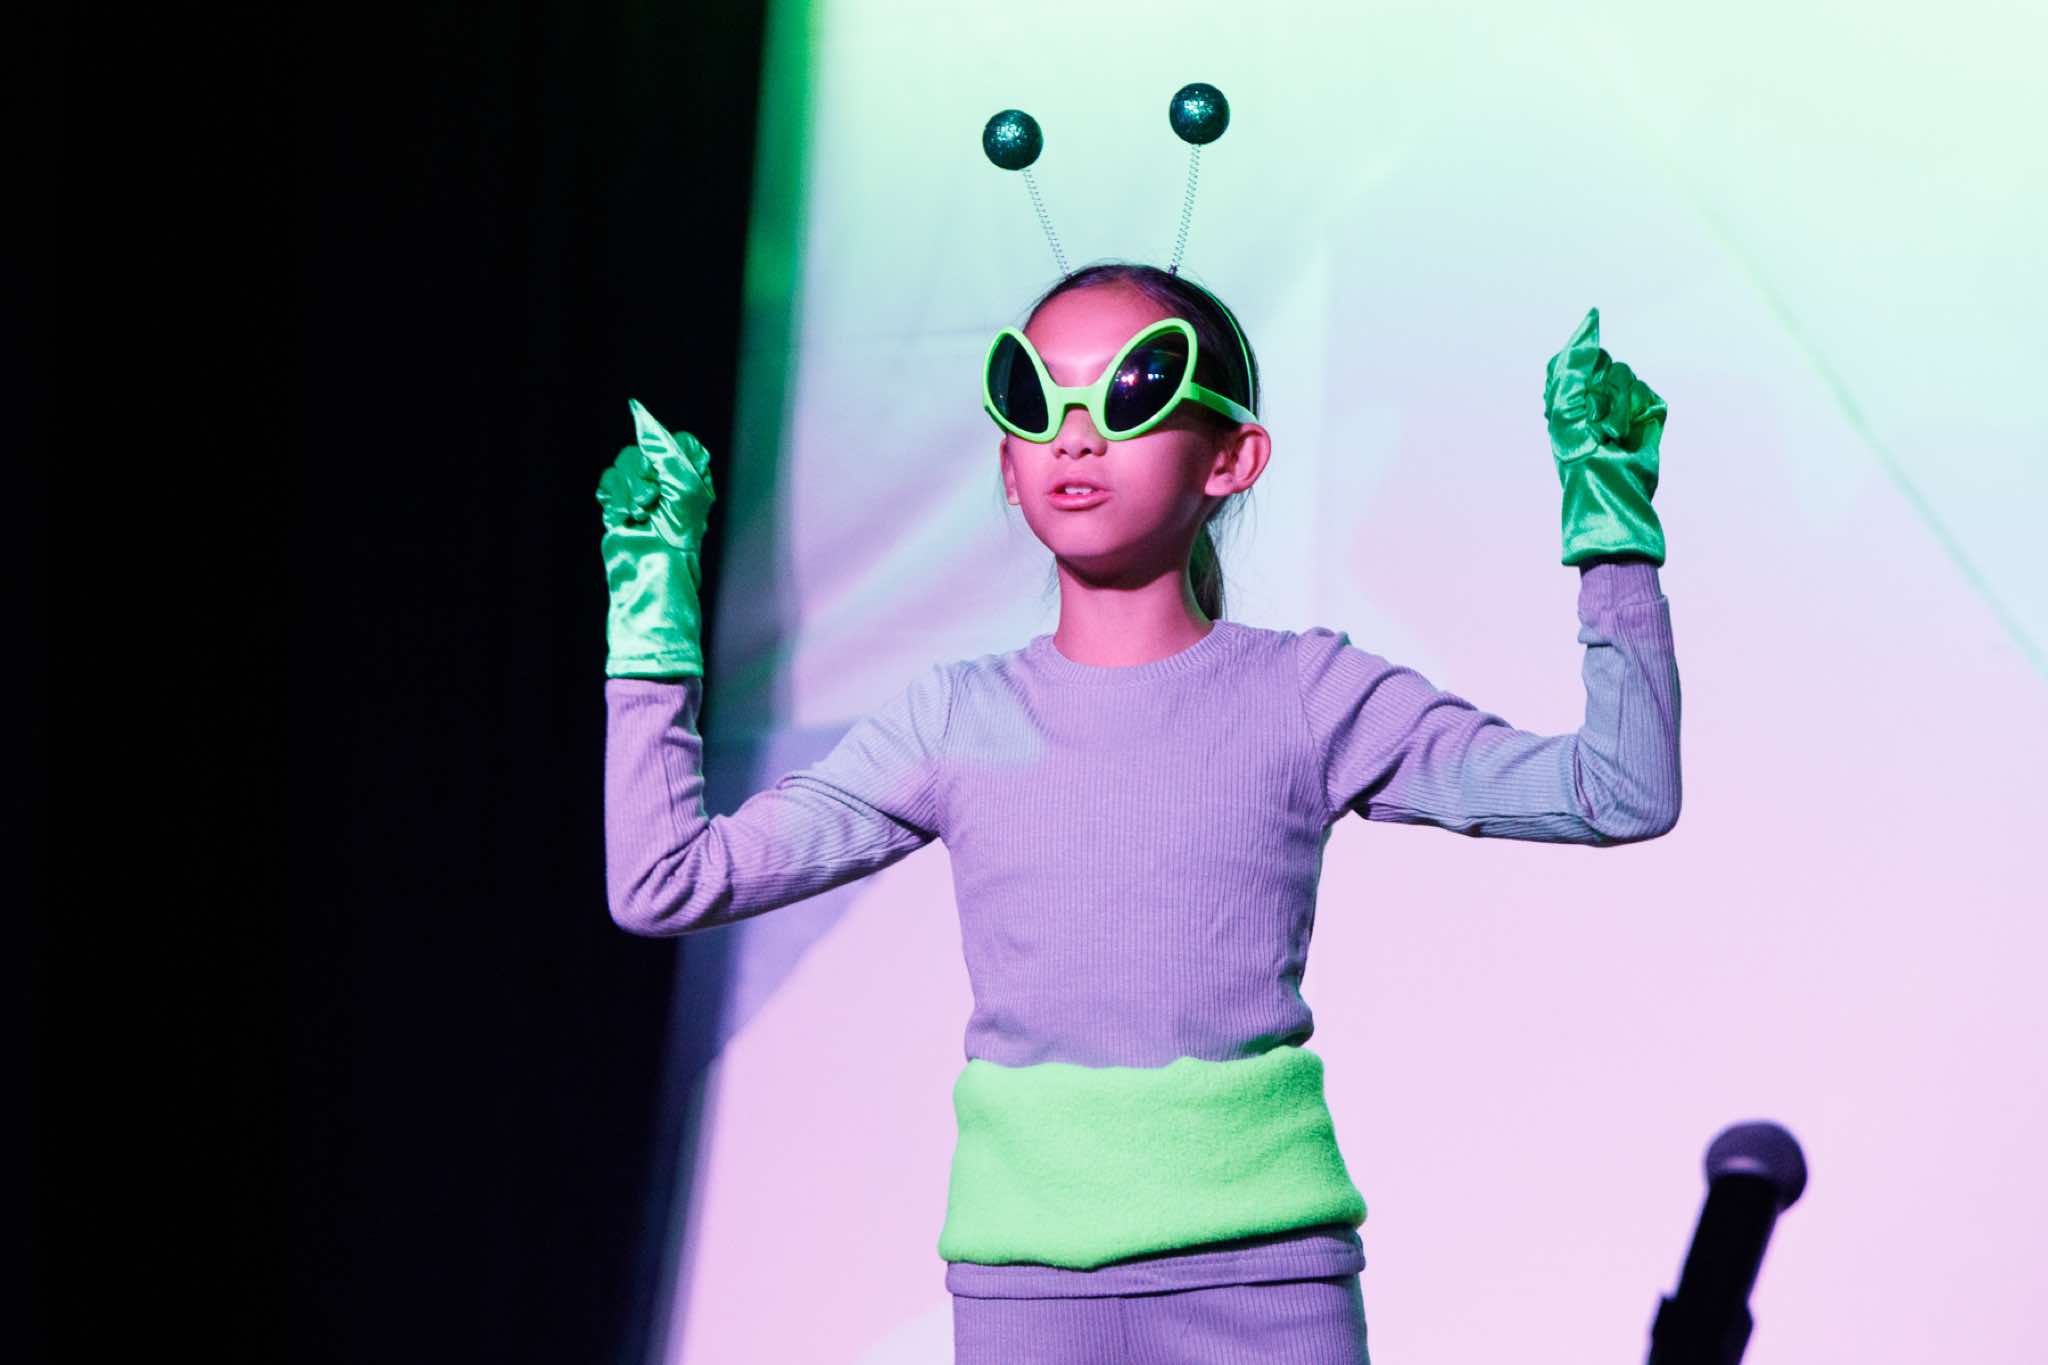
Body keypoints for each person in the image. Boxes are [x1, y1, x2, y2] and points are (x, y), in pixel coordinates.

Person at [595, 261, 1681, 1365]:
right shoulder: (953, 718)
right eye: (1034, 398)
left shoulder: (1306, 695)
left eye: (1134, 390)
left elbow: (1617, 792)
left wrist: (1611, 525)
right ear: (1008, 467)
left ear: (1233, 457)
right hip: (1025, 1295)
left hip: (1266, 1285)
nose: (1074, 437)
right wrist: (649, 613)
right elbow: (662, 882)